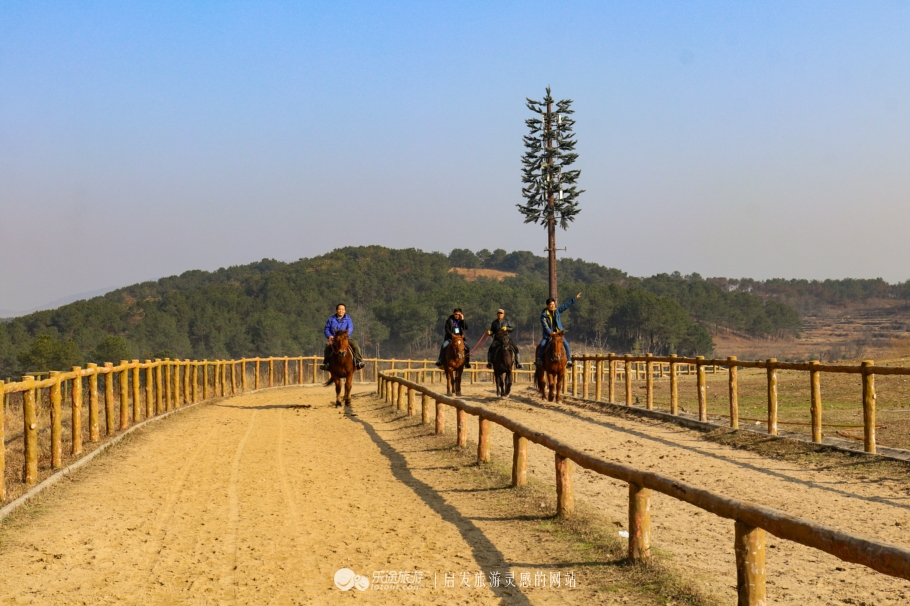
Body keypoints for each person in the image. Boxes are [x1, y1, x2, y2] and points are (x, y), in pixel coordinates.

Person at [536, 293, 582, 366]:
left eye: (553, 304)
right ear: (547, 305)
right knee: (542, 345)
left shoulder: (557, 311)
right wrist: (551, 333)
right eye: (551, 304)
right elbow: (545, 326)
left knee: (566, 344)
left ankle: (569, 361)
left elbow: (565, 305)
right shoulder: (543, 316)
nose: (552, 306)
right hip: (548, 335)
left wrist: (575, 299)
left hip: (558, 334)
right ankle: (539, 360)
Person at [321, 303, 365, 370]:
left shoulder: (348, 319)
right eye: (339, 309)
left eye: (342, 309)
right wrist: (329, 336)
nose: (341, 311)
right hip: (334, 339)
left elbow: (350, 328)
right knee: (327, 347)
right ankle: (326, 364)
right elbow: (326, 328)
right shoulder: (331, 319)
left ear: (345, 311)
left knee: (355, 345)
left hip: (345, 338)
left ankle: (359, 362)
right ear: (336, 310)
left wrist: (345, 335)